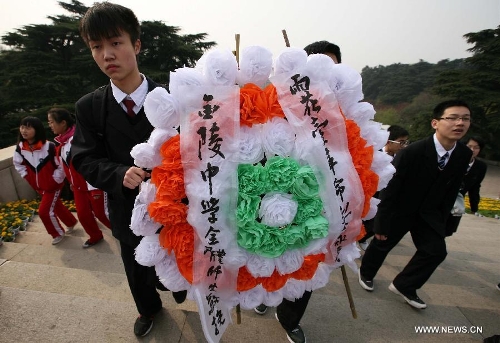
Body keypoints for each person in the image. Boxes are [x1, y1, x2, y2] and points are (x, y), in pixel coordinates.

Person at [70, 2, 185, 338]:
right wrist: (118, 173)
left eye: (115, 43)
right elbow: (83, 157)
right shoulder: (90, 107)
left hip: (178, 205)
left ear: (136, 44)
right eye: (96, 47)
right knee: (136, 266)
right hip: (127, 207)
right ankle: (148, 310)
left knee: (181, 254)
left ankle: (179, 286)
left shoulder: (174, 95)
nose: (107, 54)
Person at [254, 40, 343, 343]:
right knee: (271, 249)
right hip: (280, 195)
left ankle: (291, 317)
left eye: (329, 67)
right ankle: (264, 294)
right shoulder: (278, 100)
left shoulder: (342, 111)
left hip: (323, 201)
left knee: (310, 261)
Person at [358, 100, 473, 309]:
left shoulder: (463, 154)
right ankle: (366, 273)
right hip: (401, 210)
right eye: (453, 118)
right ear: (435, 123)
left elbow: (452, 189)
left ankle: (405, 285)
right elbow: (390, 190)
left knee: (436, 251)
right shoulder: (412, 152)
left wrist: (443, 222)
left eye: (465, 119)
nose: (460, 123)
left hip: (429, 214)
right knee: (382, 243)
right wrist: (381, 223)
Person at [48, 107, 111, 248]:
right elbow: (67, 167)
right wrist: (71, 182)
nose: (50, 125)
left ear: (63, 123)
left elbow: (90, 163)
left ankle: (123, 233)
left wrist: (94, 188)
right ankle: (95, 236)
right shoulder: (62, 144)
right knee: (83, 215)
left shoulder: (78, 139)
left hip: (92, 184)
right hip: (78, 187)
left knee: (102, 214)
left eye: (51, 122)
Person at [13, 116, 78, 245]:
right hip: (38, 186)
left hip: (52, 186)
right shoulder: (21, 148)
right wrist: (27, 176)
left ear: (37, 130)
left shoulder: (49, 147)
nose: (24, 130)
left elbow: (61, 165)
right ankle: (71, 222)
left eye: (28, 127)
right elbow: (18, 164)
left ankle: (57, 233)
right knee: (56, 206)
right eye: (22, 127)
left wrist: (55, 180)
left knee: (44, 211)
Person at [358, 125, 409, 250]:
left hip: (385, 197)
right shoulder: (374, 153)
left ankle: (362, 238)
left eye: (405, 142)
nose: (403, 146)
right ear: (388, 141)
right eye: (401, 142)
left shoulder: (403, 158)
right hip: (369, 193)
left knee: (375, 222)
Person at [445, 136, 487, 236]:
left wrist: (474, 207)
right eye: (469, 146)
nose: (472, 150)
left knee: (449, 229)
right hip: (442, 198)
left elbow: (475, 187)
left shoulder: (480, 166)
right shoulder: (452, 159)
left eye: (476, 147)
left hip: (457, 202)